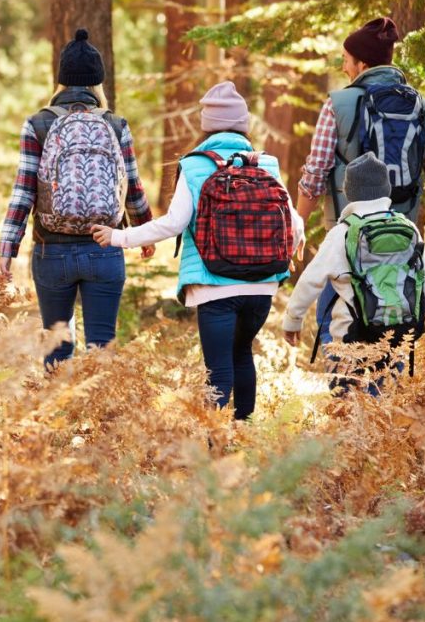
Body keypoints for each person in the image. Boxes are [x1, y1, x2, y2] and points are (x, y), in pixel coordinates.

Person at [92, 81, 304, 420]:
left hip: (213, 283)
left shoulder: (194, 165)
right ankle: (243, 434)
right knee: (242, 354)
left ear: (207, 125)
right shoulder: (267, 164)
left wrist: (119, 237)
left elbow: (173, 224)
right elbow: (292, 221)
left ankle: (215, 447)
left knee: (218, 369)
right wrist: (290, 250)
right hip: (263, 285)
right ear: (243, 125)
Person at [295, 16, 425, 349]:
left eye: (345, 60)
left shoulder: (338, 105)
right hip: (401, 242)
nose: (343, 67)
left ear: (362, 63)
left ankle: (349, 395)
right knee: (395, 329)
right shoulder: (423, 109)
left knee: (338, 326)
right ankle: (384, 398)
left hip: (348, 240)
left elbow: (315, 173)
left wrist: (298, 225)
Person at [0, 28, 155, 369]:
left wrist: (6, 250)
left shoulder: (38, 123)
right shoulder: (115, 124)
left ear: (61, 81)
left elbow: (23, 193)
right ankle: (99, 419)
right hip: (105, 247)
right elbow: (132, 186)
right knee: (101, 348)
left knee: (56, 347)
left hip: (51, 251)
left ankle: (58, 419)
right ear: (98, 82)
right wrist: (145, 232)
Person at [283, 153, 425, 396]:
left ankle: (353, 428)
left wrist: (293, 320)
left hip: (352, 335)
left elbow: (310, 281)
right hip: (399, 331)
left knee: (349, 397)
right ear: (387, 190)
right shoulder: (407, 227)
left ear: (348, 192)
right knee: (384, 394)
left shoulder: (342, 232)